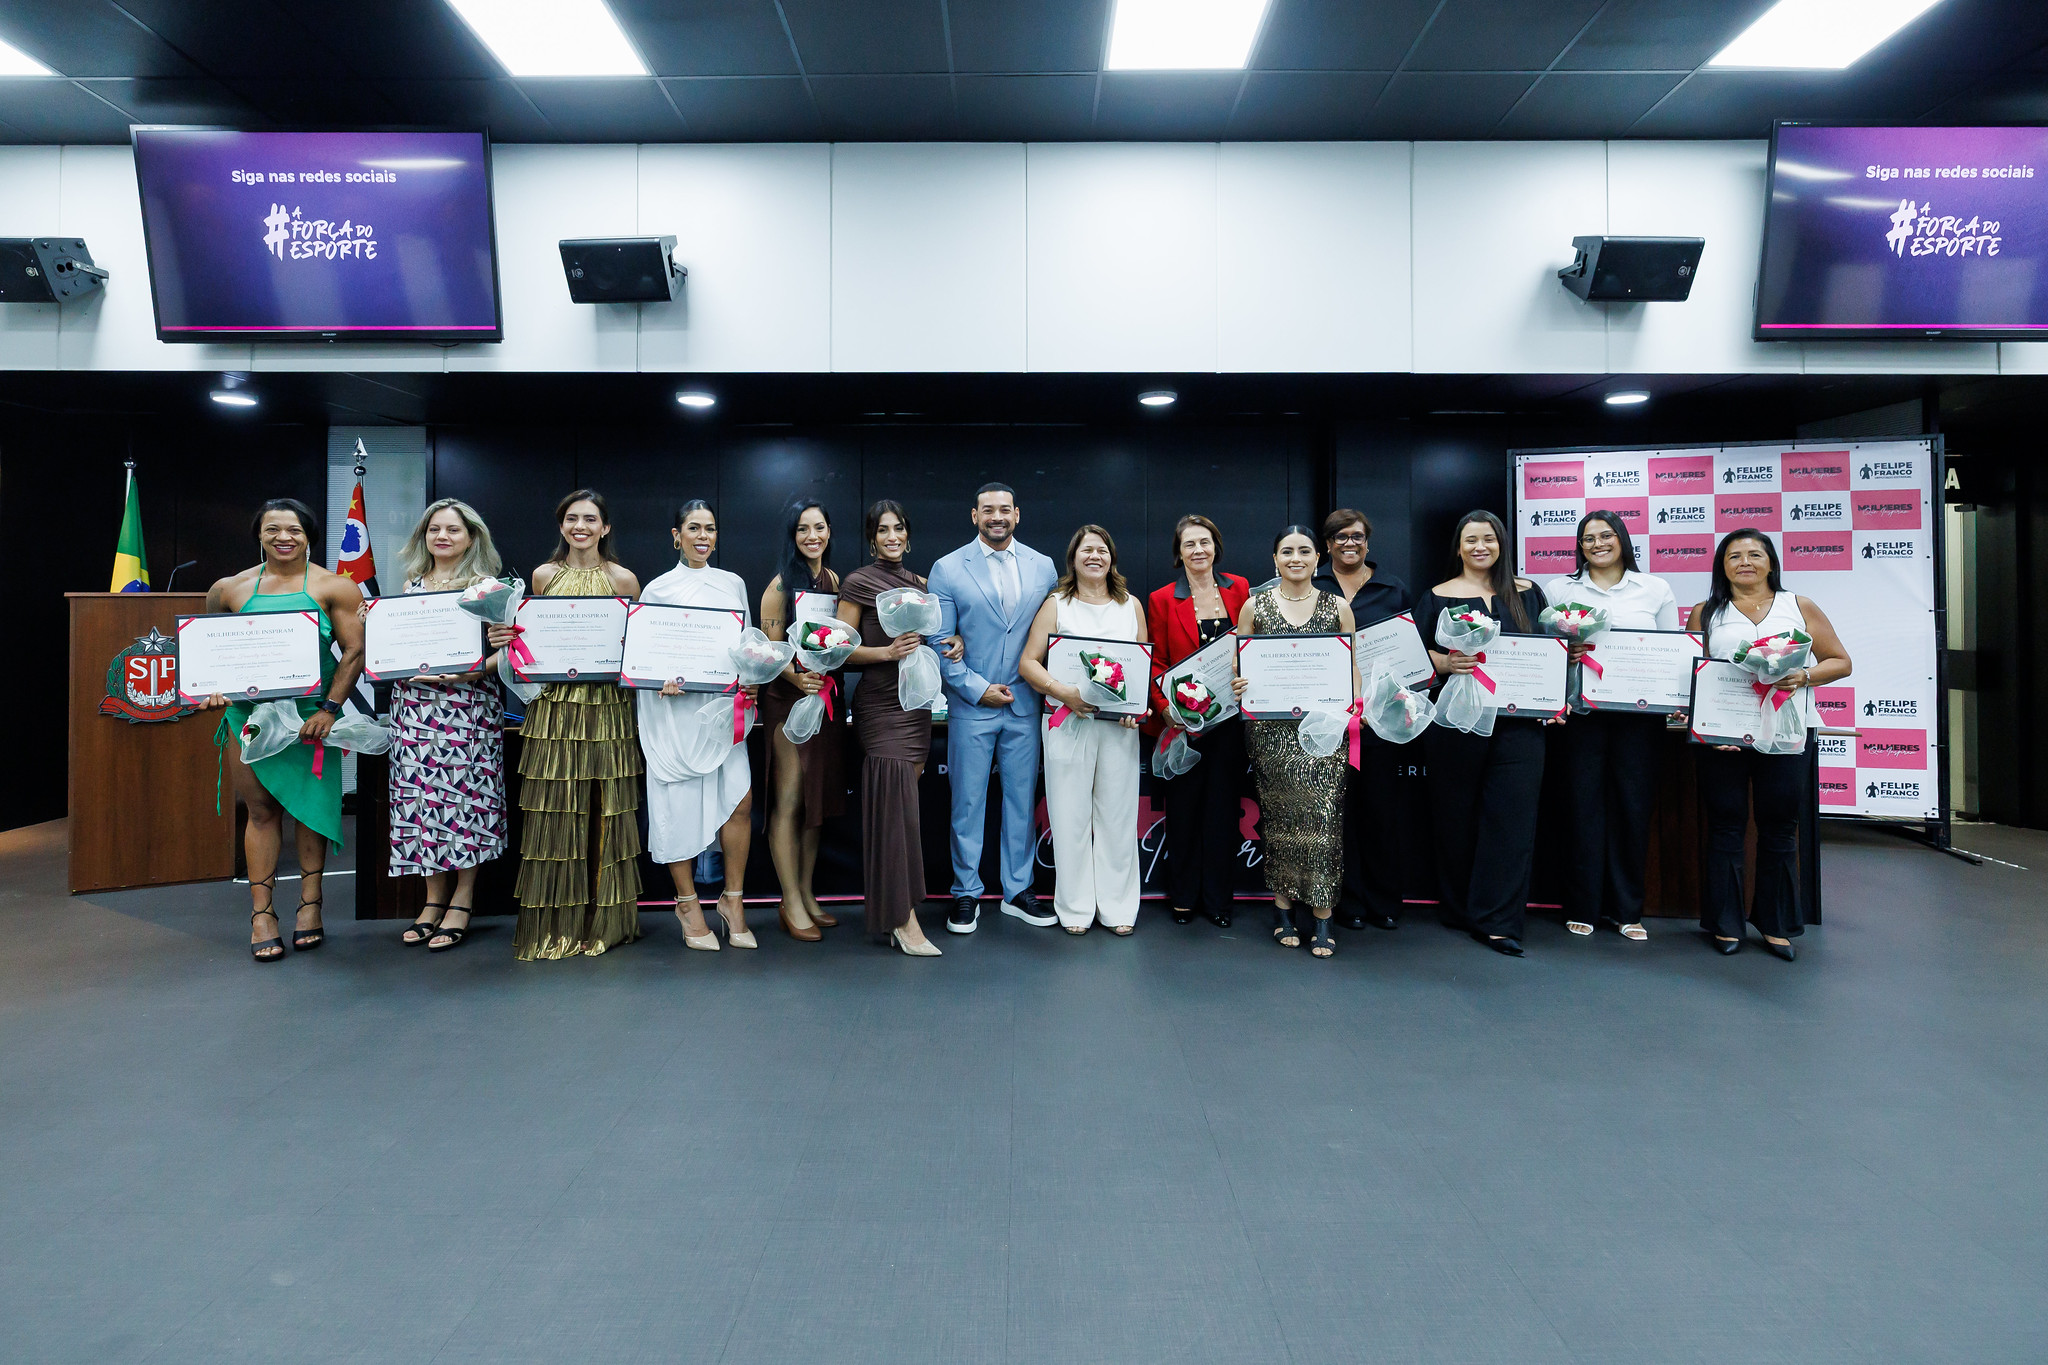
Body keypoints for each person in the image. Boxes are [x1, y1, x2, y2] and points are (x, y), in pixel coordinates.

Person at [199, 498, 365, 963]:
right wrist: (214, 688)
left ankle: (310, 906)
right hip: (248, 718)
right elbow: (211, 648)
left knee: (309, 813)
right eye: (272, 529)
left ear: (309, 534)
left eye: (293, 529)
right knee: (260, 812)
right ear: (259, 534)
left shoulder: (336, 586)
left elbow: (355, 651)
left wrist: (330, 709)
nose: (283, 537)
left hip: (312, 718)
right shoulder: (228, 589)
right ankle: (262, 914)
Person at [1687, 528, 1852, 961]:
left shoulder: (1798, 606)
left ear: (1771, 563)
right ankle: (1725, 924)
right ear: (1722, 566)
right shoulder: (1706, 612)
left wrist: (1804, 676)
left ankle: (1776, 924)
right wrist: (1707, 727)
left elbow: (1840, 661)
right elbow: (1691, 672)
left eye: (1755, 554)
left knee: (1779, 825)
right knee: (1725, 824)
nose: (1745, 562)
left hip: (1786, 730)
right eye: (1734, 555)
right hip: (1723, 737)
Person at [505, 489, 644, 961]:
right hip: (555, 710)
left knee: (607, 811)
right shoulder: (543, 575)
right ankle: (557, 924)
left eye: (590, 519)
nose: (579, 526)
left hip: (607, 709)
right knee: (556, 812)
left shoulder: (624, 579)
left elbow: (634, 647)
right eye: (571, 518)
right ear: (561, 525)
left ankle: (604, 922)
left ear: (605, 528)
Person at [1419, 510, 1552, 958]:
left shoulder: (1529, 594)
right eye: (1471, 539)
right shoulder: (1435, 596)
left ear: (1502, 545)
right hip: (1456, 722)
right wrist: (1444, 663)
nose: (1480, 547)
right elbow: (1411, 662)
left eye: (1489, 539)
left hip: (1519, 726)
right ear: (1458, 546)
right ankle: (1459, 909)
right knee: (1455, 817)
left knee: (1512, 821)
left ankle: (1499, 921)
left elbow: (1548, 652)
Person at [928, 483, 1060, 934]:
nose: (997, 516)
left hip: (1026, 702)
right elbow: (939, 640)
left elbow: (1052, 634)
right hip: (972, 705)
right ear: (974, 515)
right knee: (967, 803)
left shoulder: (1043, 567)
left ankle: (1018, 891)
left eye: (1005, 509)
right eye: (988, 510)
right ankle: (966, 893)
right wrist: (976, 688)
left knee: (1022, 804)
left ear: (1017, 515)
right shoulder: (947, 568)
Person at [1544, 510, 1681, 943]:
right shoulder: (1559, 588)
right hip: (1582, 716)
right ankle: (1581, 905)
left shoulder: (1655, 588)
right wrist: (1564, 652)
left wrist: (1676, 701)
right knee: (1581, 809)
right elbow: (1545, 651)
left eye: (1606, 535)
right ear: (1579, 546)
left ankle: (1626, 911)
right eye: (1588, 538)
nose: (1597, 543)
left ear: (1622, 538)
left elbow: (1672, 650)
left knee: (1632, 809)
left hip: (1639, 720)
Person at [636, 500, 763, 951]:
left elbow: (747, 643)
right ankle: (687, 904)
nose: (703, 536)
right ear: (677, 534)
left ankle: (732, 901)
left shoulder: (733, 584)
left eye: (710, 528)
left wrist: (750, 679)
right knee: (678, 806)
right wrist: (659, 680)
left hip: (722, 710)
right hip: (676, 713)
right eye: (694, 528)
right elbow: (643, 657)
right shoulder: (657, 589)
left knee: (740, 802)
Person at [385, 498, 509, 953]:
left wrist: (472, 671)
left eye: (453, 530)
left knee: (465, 802)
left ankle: (463, 897)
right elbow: (393, 646)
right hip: (415, 710)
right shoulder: (411, 585)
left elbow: (512, 650)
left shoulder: (490, 589)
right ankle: (432, 899)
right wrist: (375, 624)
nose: (443, 537)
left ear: (472, 537)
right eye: (434, 529)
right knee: (422, 804)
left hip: (467, 708)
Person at [1231, 526, 1358, 960]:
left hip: (1325, 732)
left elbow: (1352, 668)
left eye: (1304, 550)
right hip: (1272, 734)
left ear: (1317, 558)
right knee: (1281, 820)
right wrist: (1240, 683)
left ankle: (1323, 914)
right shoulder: (1255, 605)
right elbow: (1238, 664)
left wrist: (1351, 710)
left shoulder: (1338, 606)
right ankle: (1283, 908)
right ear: (1274, 560)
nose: (1296, 558)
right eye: (1287, 551)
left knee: (1324, 822)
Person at [1019, 526, 1149, 935]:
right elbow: (1028, 663)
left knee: (1118, 817)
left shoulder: (1131, 606)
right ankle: (1075, 909)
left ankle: (1118, 908)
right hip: (1067, 723)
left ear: (1112, 557)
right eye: (1086, 550)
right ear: (1073, 559)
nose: (1095, 556)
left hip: (1119, 728)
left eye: (1102, 550)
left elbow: (1142, 668)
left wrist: (1137, 709)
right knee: (1069, 816)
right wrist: (1063, 693)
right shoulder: (1057, 604)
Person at [837, 501, 941, 956]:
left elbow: (929, 639)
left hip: (915, 704)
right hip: (879, 706)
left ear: (908, 535)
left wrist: (949, 644)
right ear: (872, 538)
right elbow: (839, 647)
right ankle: (902, 918)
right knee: (892, 811)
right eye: (883, 530)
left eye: (899, 528)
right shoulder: (859, 581)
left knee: (902, 811)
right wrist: (886, 653)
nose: (892, 536)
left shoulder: (922, 584)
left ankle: (894, 906)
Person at [1145, 514, 1251, 929]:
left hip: (1230, 722)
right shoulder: (1160, 599)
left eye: (1204, 542)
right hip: (1183, 724)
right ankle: (1184, 897)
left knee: (1223, 812)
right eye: (1189, 544)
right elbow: (1156, 661)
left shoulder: (1240, 588)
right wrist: (1165, 706)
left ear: (1216, 546)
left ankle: (1218, 900)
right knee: (1184, 811)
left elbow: (1253, 646)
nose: (1198, 550)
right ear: (1179, 553)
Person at [1312, 508, 1412, 935]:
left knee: (1381, 813)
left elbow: (1412, 653)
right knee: (1336, 817)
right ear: (1328, 544)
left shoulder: (1393, 588)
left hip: (1380, 722)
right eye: (1339, 537)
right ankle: (1347, 902)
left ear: (1367, 541)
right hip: (1325, 721)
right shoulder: (1312, 586)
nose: (1348, 543)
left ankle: (1383, 901)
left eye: (1356, 536)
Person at [756, 498, 843, 942]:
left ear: (830, 531)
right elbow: (769, 653)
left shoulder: (832, 580)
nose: (813, 536)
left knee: (814, 801)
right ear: (792, 536)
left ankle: (807, 893)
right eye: (803, 529)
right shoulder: (778, 586)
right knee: (788, 800)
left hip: (824, 699)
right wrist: (800, 677)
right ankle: (789, 900)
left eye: (820, 527)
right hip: (788, 700)